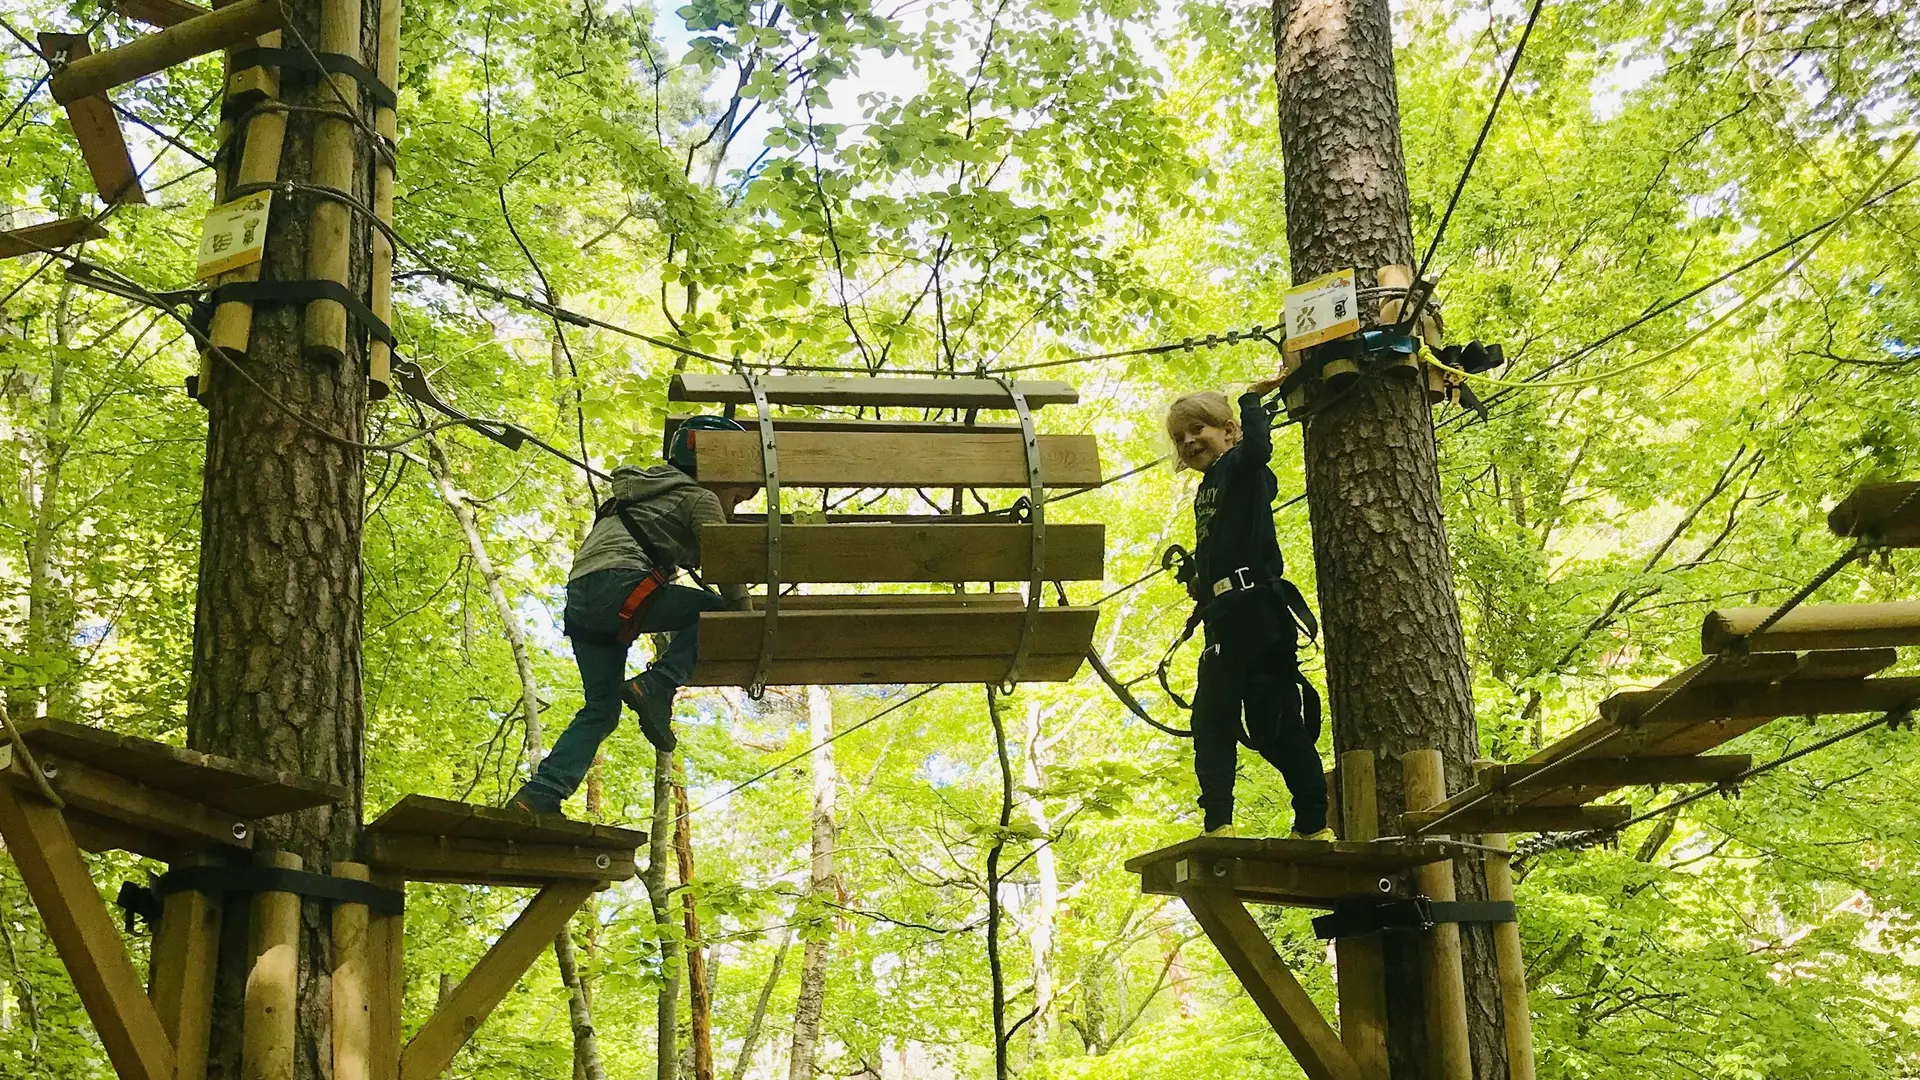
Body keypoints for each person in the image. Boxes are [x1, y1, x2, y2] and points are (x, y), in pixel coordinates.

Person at [510, 416, 757, 815]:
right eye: (738, 494)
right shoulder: (700, 498)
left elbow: (688, 550)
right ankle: (658, 684)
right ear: (720, 467)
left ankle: (541, 793)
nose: (735, 504)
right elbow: (726, 566)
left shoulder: (643, 494)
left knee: (601, 709)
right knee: (720, 615)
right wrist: (745, 621)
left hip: (583, 599)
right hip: (622, 589)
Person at [1166, 380, 1331, 840]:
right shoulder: (1209, 490)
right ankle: (1241, 821)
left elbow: (1260, 449)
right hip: (1229, 615)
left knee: (1252, 720)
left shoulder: (1241, 464)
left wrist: (1252, 401)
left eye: (1197, 429)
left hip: (1256, 614)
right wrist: (1200, 578)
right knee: (1234, 719)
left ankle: (1303, 822)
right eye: (1181, 438)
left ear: (1229, 432)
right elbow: (1231, 541)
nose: (1189, 442)